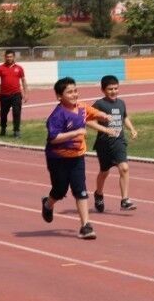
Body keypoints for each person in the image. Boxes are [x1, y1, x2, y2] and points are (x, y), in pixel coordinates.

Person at [41, 77, 116, 240]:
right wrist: (75, 133)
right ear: (59, 96)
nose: (74, 94)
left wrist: (103, 116)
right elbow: (54, 138)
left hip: (77, 157)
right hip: (58, 158)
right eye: (69, 92)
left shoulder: (81, 107)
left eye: (75, 91)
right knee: (59, 190)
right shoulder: (57, 115)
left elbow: (92, 113)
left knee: (80, 189)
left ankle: (86, 226)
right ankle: (48, 204)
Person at [92, 75, 140, 212]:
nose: (113, 91)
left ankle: (125, 200)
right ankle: (98, 194)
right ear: (103, 90)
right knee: (104, 172)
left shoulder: (121, 103)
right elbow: (90, 121)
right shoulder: (99, 104)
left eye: (116, 88)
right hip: (104, 144)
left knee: (124, 168)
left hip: (119, 142)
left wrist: (132, 129)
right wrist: (105, 129)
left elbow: (124, 117)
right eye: (110, 89)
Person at [0, 49, 28, 137]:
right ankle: (3, 128)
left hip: (16, 94)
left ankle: (16, 131)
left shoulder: (19, 68)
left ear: (14, 57)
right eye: (7, 57)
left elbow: (23, 80)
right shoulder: (0, 68)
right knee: (3, 113)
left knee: (16, 112)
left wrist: (26, 93)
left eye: (10, 57)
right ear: (5, 57)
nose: (9, 58)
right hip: (4, 95)